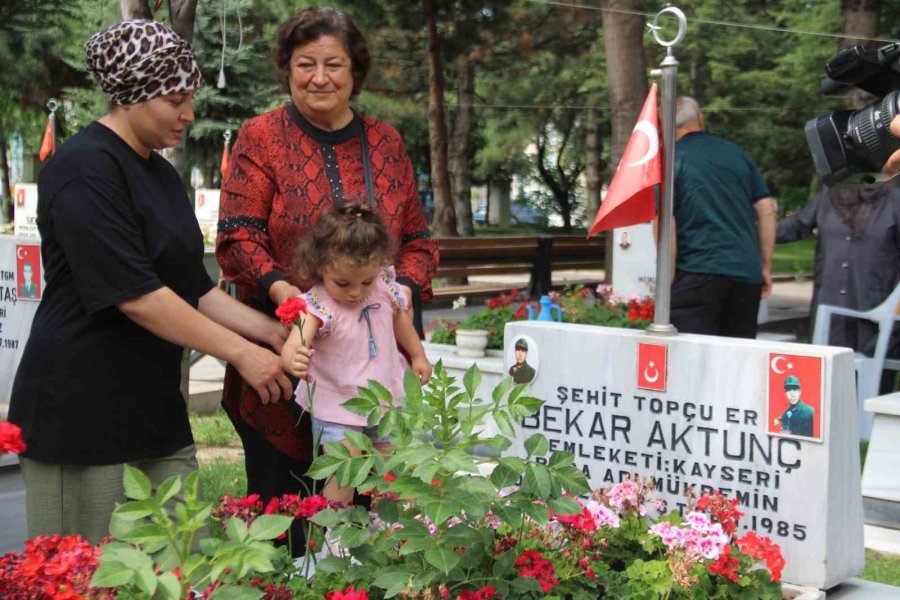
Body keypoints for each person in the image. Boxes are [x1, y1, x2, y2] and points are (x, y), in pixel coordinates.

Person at [8, 20, 292, 544]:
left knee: (174, 561)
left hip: (154, 408)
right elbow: (135, 296)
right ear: (131, 96)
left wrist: (271, 334)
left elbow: (194, 289)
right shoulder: (82, 169)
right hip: (83, 412)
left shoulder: (161, 174)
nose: (188, 114)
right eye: (175, 99)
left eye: (191, 99)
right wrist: (242, 354)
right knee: (90, 572)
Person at [216, 6, 438, 549]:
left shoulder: (385, 142)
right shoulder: (261, 137)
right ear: (288, 69)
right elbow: (237, 235)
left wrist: (399, 290)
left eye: (333, 64)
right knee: (283, 518)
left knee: (378, 518)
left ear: (354, 69)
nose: (319, 77)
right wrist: (287, 294)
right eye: (304, 63)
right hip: (285, 361)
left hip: (373, 373)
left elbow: (417, 241)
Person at [281, 202, 431, 510]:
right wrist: (292, 357)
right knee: (344, 473)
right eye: (343, 283)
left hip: (385, 399)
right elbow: (296, 340)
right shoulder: (318, 305)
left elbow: (400, 319)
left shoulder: (384, 289)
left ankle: (388, 534)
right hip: (339, 405)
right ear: (321, 265)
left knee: (393, 471)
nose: (355, 292)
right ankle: (336, 540)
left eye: (365, 281)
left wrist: (417, 354)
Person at [668, 97, 777, 339]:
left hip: (696, 272)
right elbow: (767, 209)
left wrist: (668, 278)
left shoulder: (671, 161)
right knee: (736, 360)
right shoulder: (737, 154)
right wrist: (764, 266)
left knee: (691, 362)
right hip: (745, 276)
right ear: (700, 118)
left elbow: (665, 223)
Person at [776, 183, 900, 365]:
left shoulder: (894, 199)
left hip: (874, 315)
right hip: (829, 310)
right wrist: (752, 229)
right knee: (827, 381)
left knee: (870, 385)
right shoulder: (829, 195)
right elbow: (796, 226)